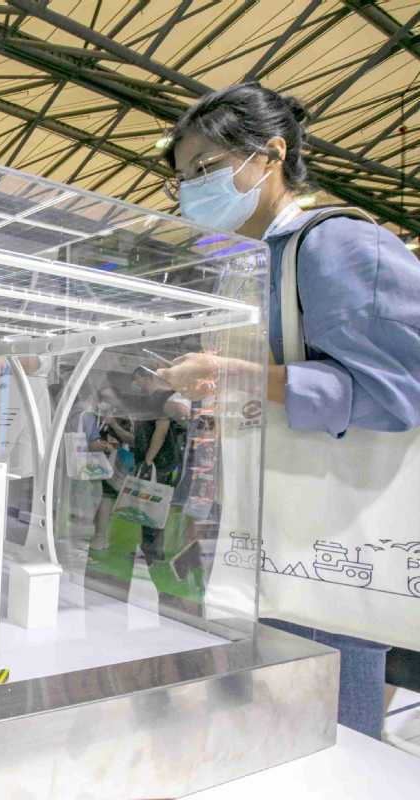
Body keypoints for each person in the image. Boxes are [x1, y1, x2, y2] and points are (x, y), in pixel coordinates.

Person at [154, 83, 420, 738]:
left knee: (323, 727)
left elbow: (398, 391)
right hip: (264, 529)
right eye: (184, 178)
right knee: (270, 721)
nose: (194, 189)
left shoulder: (337, 245)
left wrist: (237, 375)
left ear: (271, 154)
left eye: (208, 168)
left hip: (328, 531)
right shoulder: (251, 264)